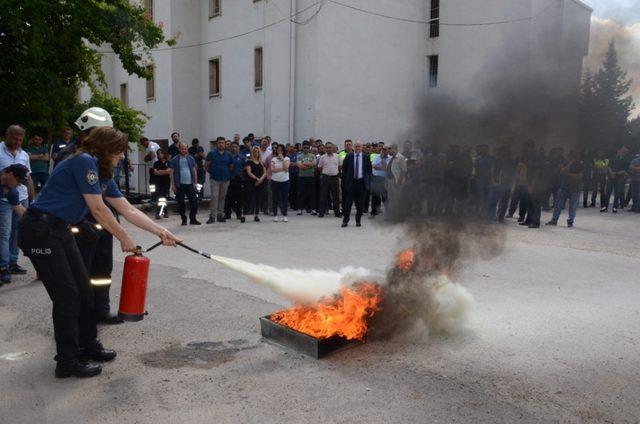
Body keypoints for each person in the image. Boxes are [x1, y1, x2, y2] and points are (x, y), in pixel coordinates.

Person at [18, 126, 179, 378]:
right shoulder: (83, 161)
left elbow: (129, 210)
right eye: (119, 152)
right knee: (67, 297)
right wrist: (123, 236)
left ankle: (88, 346)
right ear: (106, 149)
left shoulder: (103, 175)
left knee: (85, 290)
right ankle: (67, 361)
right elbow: (98, 209)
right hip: (40, 230)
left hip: (59, 230)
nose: (122, 157)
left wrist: (161, 231)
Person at [54, 108, 123, 324]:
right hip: (80, 224)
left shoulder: (100, 156)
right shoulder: (72, 157)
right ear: (89, 132)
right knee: (80, 274)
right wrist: (81, 222)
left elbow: (113, 196)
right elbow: (64, 196)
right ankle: (82, 317)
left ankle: (100, 310)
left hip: (103, 222)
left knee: (102, 270)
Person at [0, 125, 34, 284]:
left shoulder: (13, 190)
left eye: (21, 139)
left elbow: (22, 213)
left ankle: (12, 263)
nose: (18, 142)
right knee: (4, 233)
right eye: (15, 138)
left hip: (19, 198)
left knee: (16, 231)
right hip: (3, 201)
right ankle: (3, 266)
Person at [0, 164, 29, 287]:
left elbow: (20, 210)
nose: (19, 185)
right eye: (18, 180)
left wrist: (40, 220)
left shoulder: (11, 191)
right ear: (10, 174)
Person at [546, 150, 584, 228]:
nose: (572, 158)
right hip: (564, 188)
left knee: (572, 207)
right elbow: (562, 171)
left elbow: (580, 176)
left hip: (575, 189)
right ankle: (554, 220)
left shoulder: (581, 165)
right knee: (558, 205)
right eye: (571, 156)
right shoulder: (566, 163)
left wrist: (569, 174)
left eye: (574, 156)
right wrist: (569, 164)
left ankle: (570, 221)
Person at [341, 140, 372, 227]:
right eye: (356, 146)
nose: (358, 148)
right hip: (352, 183)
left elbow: (369, 170)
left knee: (360, 204)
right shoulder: (349, 156)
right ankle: (345, 221)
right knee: (348, 203)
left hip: (362, 183)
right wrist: (347, 177)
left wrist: (368, 180)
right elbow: (344, 169)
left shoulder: (366, 157)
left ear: (362, 148)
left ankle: (358, 220)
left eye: (359, 146)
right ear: (354, 147)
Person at [170, 143, 200, 226]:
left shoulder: (191, 158)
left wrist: (195, 183)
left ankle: (193, 218)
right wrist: (173, 185)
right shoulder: (175, 159)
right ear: (179, 149)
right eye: (182, 148)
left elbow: (194, 171)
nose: (184, 150)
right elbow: (171, 173)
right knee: (181, 203)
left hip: (190, 184)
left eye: (185, 149)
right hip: (179, 185)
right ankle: (184, 219)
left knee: (194, 202)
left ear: (187, 149)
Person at [205, 137, 233, 223]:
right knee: (214, 197)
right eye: (219, 143)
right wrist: (212, 172)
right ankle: (212, 217)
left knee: (222, 198)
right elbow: (206, 165)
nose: (221, 144)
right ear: (216, 144)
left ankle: (220, 215)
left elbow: (231, 166)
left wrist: (227, 173)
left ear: (225, 144)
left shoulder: (229, 154)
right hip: (215, 179)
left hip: (225, 179)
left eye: (222, 143)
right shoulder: (211, 153)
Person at [601, 145, 631, 213]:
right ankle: (605, 206)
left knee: (617, 193)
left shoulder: (627, 159)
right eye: (622, 149)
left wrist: (617, 173)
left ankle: (615, 207)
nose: (623, 151)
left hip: (620, 178)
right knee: (608, 192)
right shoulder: (614, 157)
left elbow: (625, 170)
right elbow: (608, 166)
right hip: (611, 177)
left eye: (624, 150)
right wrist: (611, 173)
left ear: (627, 152)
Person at [317, 142, 341, 218]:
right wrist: (325, 173)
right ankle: (322, 212)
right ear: (325, 148)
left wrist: (334, 172)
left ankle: (337, 212)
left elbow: (340, 166)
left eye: (330, 147)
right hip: (325, 177)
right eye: (326, 148)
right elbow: (320, 168)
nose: (328, 149)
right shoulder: (322, 157)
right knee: (323, 196)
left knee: (336, 196)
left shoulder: (337, 156)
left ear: (332, 148)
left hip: (334, 178)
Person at [225, 141, 246, 222]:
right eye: (232, 146)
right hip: (229, 179)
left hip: (239, 179)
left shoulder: (242, 157)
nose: (234, 148)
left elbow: (245, 168)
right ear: (230, 148)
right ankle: (227, 214)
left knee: (239, 198)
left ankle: (239, 214)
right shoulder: (227, 156)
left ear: (238, 148)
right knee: (228, 198)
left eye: (235, 147)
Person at [244, 146, 267, 222]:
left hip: (260, 183)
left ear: (259, 153)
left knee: (258, 199)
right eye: (254, 152)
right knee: (249, 199)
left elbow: (265, 173)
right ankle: (244, 215)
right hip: (251, 183)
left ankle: (256, 215)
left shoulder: (261, 163)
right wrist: (257, 179)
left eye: (257, 152)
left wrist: (260, 180)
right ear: (252, 153)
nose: (255, 153)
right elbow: (249, 173)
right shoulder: (249, 162)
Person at [385, 143, 407, 220]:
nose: (389, 151)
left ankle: (398, 217)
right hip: (390, 181)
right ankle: (392, 216)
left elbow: (404, 171)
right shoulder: (391, 158)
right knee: (391, 199)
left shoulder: (401, 158)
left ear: (395, 149)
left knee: (397, 199)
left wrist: (399, 182)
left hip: (397, 181)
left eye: (390, 149)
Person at [270, 143, 291, 222]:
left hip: (285, 181)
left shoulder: (287, 159)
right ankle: (275, 215)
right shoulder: (273, 159)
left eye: (281, 150)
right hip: (274, 181)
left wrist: (282, 159)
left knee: (284, 198)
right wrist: (282, 169)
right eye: (278, 150)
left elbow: (286, 168)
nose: (280, 152)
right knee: (275, 198)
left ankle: (285, 215)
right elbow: (272, 170)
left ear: (283, 151)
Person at [296, 141, 317, 215]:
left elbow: (314, 164)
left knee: (311, 193)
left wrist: (304, 164)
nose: (306, 149)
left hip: (311, 176)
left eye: (307, 148)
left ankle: (312, 209)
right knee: (301, 193)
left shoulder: (312, 155)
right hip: (301, 177)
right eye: (304, 148)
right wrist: (309, 165)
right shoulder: (299, 156)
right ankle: (300, 208)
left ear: (309, 148)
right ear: (302, 148)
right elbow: (299, 166)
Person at [370, 145, 389, 217]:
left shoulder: (389, 158)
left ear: (387, 151)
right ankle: (373, 213)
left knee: (385, 197)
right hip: (376, 178)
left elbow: (388, 168)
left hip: (385, 179)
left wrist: (381, 167)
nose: (383, 151)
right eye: (382, 149)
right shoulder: (377, 157)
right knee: (375, 196)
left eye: (385, 149)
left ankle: (388, 213)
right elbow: (374, 166)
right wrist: (383, 167)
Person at [152, 149, 171, 219]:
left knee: (162, 197)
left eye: (161, 153)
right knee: (161, 198)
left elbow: (169, 171)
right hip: (158, 182)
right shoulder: (156, 163)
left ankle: (158, 213)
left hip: (166, 182)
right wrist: (163, 171)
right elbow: (155, 172)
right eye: (158, 154)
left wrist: (160, 171)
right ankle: (165, 212)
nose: (160, 155)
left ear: (164, 154)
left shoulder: (168, 162)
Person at [629, 146, 640, 213]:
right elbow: (630, 167)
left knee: (639, 194)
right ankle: (635, 207)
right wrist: (638, 168)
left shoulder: (635, 161)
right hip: (634, 179)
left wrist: (635, 168)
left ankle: (638, 208)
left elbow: (632, 167)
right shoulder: (635, 160)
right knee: (634, 194)